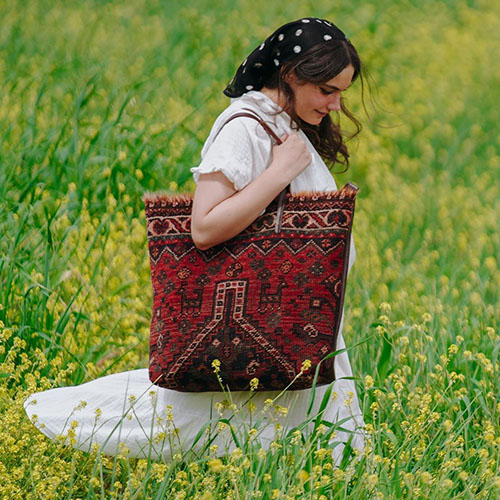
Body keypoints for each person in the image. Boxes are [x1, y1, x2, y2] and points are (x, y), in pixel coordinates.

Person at [24, 17, 367, 465]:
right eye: (327, 90)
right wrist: (280, 172)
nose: (337, 105)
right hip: (266, 327)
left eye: (341, 91)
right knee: (191, 428)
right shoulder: (243, 127)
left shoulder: (287, 126)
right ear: (290, 74)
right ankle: (60, 419)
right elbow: (203, 227)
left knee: (308, 455)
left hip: (300, 332)